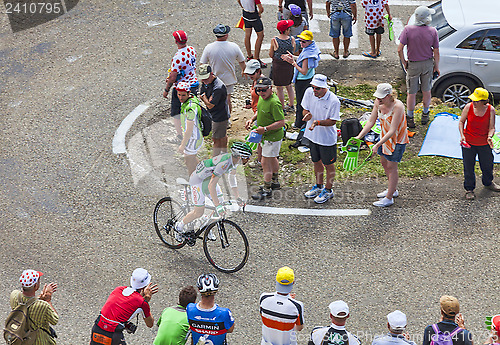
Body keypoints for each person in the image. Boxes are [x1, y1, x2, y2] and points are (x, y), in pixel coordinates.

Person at [174, 142, 253, 241]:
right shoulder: (224, 164)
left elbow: (232, 178)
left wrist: (237, 197)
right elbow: (212, 185)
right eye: (247, 157)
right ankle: (179, 226)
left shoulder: (235, 161)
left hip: (209, 180)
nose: (248, 160)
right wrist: (217, 205)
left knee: (221, 207)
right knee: (199, 212)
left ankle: (205, 224)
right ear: (240, 156)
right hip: (198, 181)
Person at [355, 83, 409, 207]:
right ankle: (392, 189)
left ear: (389, 96)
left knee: (391, 166)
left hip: (397, 140)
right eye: (377, 98)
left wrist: (377, 144)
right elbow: (371, 121)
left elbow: (393, 130)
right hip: (384, 136)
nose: (378, 100)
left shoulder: (398, 106)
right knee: (384, 163)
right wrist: (359, 137)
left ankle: (389, 197)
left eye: (381, 98)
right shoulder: (378, 102)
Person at [90, 268, 159, 345]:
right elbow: (150, 324)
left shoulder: (118, 289)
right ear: (146, 286)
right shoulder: (142, 302)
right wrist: (146, 301)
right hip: (113, 335)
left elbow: (116, 312)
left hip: (96, 329)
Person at [397, 6, 439, 128]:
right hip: (427, 64)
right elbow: (436, 51)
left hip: (413, 64)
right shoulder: (432, 31)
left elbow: (399, 48)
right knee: (427, 90)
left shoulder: (408, 30)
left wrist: (404, 62)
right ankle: (425, 115)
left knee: (412, 93)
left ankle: (410, 118)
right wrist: (436, 66)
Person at [302, 74, 341, 204]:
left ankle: (328, 190)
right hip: (313, 136)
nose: (314, 90)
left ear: (325, 88)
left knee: (328, 165)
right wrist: (306, 115)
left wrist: (317, 122)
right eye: (313, 87)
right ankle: (318, 186)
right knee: (316, 162)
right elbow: (305, 109)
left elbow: (333, 121)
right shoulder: (309, 93)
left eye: (317, 88)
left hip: (327, 139)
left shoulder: (334, 101)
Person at [245, 77, 285, 200]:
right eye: (258, 90)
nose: (261, 93)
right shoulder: (263, 99)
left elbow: (281, 122)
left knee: (264, 162)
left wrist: (265, 129)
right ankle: (275, 181)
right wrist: (252, 119)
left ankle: (267, 188)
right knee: (272, 159)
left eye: (263, 90)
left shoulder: (274, 103)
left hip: (272, 137)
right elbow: (259, 111)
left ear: (270, 88)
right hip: (265, 136)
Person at [458, 87, 500, 200]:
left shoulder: (491, 110)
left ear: (484, 101)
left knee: (487, 164)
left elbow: (492, 127)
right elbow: (461, 122)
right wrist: (462, 136)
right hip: (469, 143)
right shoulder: (468, 107)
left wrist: (490, 137)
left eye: (476, 101)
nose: (474, 102)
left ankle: (488, 182)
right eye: (473, 100)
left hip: (484, 143)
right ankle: (469, 189)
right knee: (468, 166)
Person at [200, 24, 246, 116]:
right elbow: (242, 61)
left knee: (213, 99)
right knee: (227, 99)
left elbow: (202, 64)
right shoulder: (234, 46)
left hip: (214, 79)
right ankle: (227, 119)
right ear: (226, 35)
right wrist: (243, 70)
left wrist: (204, 78)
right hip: (229, 79)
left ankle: (214, 117)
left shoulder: (209, 47)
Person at [163, 30, 199, 139]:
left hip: (181, 88)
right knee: (191, 111)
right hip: (193, 84)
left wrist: (166, 89)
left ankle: (179, 136)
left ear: (176, 41)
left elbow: (173, 77)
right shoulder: (192, 50)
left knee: (177, 113)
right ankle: (193, 132)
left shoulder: (177, 57)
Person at [282, 30, 321, 129]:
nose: (301, 43)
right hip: (309, 78)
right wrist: (294, 57)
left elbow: (303, 70)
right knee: (308, 101)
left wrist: (293, 63)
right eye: (300, 41)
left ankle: (299, 123)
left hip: (303, 81)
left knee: (301, 102)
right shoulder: (311, 48)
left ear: (309, 41)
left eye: (304, 42)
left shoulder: (307, 54)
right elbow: (302, 59)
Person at [9, 269, 58, 345]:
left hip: (19, 337)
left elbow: (27, 302)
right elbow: (55, 320)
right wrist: (48, 300)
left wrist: (40, 298)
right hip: (38, 340)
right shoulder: (42, 305)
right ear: (36, 286)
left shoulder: (14, 295)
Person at [260, 266, 304, 345]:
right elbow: (299, 328)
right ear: (293, 282)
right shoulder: (297, 306)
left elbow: (262, 315)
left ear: (276, 280)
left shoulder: (264, 298)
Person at [186, 274, 235, 345]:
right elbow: (230, 329)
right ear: (216, 290)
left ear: (199, 290)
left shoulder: (190, 308)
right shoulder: (224, 313)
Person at [198, 64, 229, 156]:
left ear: (211, 74)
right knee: (221, 135)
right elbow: (202, 92)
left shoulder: (218, 87)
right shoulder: (207, 82)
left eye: (206, 78)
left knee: (216, 139)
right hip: (215, 114)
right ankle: (224, 154)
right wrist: (207, 99)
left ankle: (214, 161)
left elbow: (210, 105)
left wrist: (204, 99)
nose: (204, 81)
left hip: (219, 116)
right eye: (202, 79)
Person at [176, 82, 204, 176]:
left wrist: (182, 145)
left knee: (189, 164)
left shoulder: (190, 108)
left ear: (189, 93)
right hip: (193, 137)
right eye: (179, 94)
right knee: (191, 159)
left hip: (193, 139)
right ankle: (205, 175)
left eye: (183, 95)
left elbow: (189, 129)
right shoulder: (191, 99)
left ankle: (193, 185)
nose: (180, 97)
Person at [270, 20, 296, 112]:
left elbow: (271, 54)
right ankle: (291, 105)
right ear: (287, 30)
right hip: (288, 66)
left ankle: (282, 108)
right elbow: (294, 50)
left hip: (278, 66)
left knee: (279, 87)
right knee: (289, 85)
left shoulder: (274, 40)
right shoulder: (292, 39)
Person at [244, 59, 264, 168]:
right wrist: (251, 104)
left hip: (260, 115)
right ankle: (261, 159)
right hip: (256, 112)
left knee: (258, 138)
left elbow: (262, 107)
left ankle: (260, 161)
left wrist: (252, 119)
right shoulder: (255, 80)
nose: (250, 75)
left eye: (252, 73)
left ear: (258, 71)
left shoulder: (262, 85)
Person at [237, 0, 266, 68]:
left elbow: (239, 1)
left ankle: (249, 56)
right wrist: (259, 14)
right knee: (260, 36)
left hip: (245, 13)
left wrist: (243, 7)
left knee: (247, 35)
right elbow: (261, 9)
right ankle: (256, 58)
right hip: (254, 15)